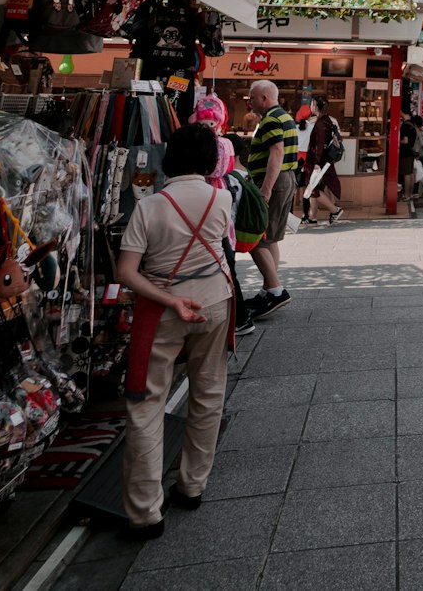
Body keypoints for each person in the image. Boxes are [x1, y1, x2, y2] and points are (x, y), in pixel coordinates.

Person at [118, 122, 233, 536]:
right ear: (209, 161)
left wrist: (169, 299)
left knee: (147, 404)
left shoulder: (150, 207)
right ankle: (192, 486)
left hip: (162, 312)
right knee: (208, 393)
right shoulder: (222, 198)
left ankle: (145, 512)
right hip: (216, 303)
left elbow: (126, 272)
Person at [188, 95, 252, 337]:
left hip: (212, 201)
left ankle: (238, 316)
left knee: (223, 258)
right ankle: (233, 316)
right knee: (221, 258)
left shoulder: (220, 145)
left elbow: (215, 169)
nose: (207, 127)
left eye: (210, 123)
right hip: (215, 199)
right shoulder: (222, 144)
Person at [244, 80, 298, 318]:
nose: (250, 101)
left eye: (252, 97)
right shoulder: (284, 116)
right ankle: (269, 287)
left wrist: (265, 190)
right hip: (285, 180)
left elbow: (277, 153)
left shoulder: (271, 119)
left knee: (257, 237)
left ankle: (275, 290)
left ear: (264, 98)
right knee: (271, 237)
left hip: (274, 183)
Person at [302, 96, 344, 226]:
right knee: (315, 187)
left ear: (315, 106)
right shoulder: (327, 121)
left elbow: (320, 145)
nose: (310, 106)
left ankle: (334, 210)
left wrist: (316, 163)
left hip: (319, 162)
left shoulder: (320, 123)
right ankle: (312, 216)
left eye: (312, 104)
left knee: (313, 189)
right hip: (324, 162)